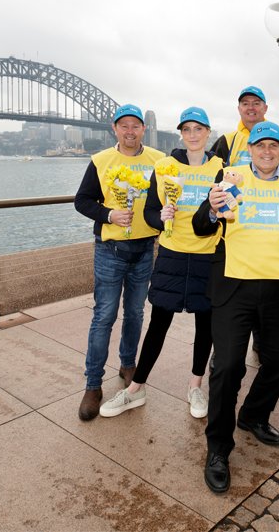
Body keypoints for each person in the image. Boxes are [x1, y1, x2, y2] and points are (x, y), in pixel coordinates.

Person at [193, 121, 279, 495]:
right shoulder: (231, 177)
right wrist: (212, 210)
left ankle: (253, 415)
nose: (266, 151)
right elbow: (200, 225)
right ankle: (218, 448)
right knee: (228, 366)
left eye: (273, 146)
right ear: (250, 150)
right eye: (260, 146)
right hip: (235, 284)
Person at [98, 107, 223, 420]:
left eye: (198, 129)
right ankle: (135, 388)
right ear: (181, 133)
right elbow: (149, 212)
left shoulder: (221, 168)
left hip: (208, 254)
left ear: (208, 133)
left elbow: (227, 210)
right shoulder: (165, 166)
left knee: (206, 324)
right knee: (158, 323)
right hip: (172, 253)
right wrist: (161, 216)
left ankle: (196, 386)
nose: (193, 135)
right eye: (187, 129)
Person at [74, 104, 165, 421]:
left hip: (145, 249)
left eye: (135, 125)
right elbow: (82, 201)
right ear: (114, 129)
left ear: (143, 129)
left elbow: (170, 196)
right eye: (123, 125)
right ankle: (93, 385)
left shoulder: (158, 160)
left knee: (136, 313)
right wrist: (109, 214)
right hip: (110, 250)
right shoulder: (100, 161)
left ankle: (128, 365)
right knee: (104, 316)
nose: (130, 131)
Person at [210, 86, 279, 171]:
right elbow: (211, 175)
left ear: (265, 108)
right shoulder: (226, 141)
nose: (250, 108)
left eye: (256, 103)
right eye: (245, 104)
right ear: (239, 109)